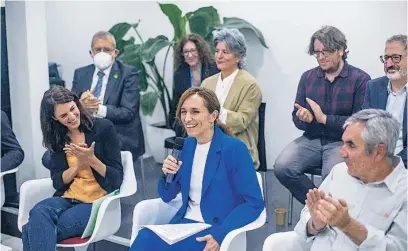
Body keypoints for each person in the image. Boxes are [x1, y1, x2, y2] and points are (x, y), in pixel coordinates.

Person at [129, 87, 264, 251]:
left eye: (195, 112)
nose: (187, 118)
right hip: (183, 224)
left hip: (213, 227)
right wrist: (167, 175)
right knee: (145, 238)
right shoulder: (185, 146)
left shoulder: (234, 149)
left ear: (213, 116)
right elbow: (167, 195)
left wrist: (220, 234)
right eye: (184, 112)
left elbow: (254, 203)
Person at [263, 109, 407, 251]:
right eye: (342, 143)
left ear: (379, 152)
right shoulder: (339, 172)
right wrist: (314, 224)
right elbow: (304, 227)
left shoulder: (403, 192)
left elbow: (398, 247)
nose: (342, 152)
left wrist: (348, 226)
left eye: (351, 145)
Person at [274, 25, 371, 204]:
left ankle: (327, 213)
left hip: (341, 142)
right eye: (317, 52)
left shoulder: (360, 79)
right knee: (282, 167)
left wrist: (324, 119)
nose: (321, 57)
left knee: (333, 175)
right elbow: (296, 116)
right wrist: (305, 119)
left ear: (341, 50)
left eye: (326, 51)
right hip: (311, 138)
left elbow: (360, 124)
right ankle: (319, 206)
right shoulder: (308, 77)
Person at [22, 86, 123, 251]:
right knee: (38, 211)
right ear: (54, 118)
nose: (71, 116)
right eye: (63, 115)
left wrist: (90, 159)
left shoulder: (104, 128)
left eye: (72, 108)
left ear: (77, 104)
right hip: (68, 198)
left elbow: (117, 178)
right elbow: (57, 182)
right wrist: (77, 165)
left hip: (95, 202)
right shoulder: (58, 139)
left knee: (32, 230)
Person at [71, 31, 144, 162]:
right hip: (85, 130)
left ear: (115, 53)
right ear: (91, 53)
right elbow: (71, 106)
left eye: (107, 50)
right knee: (54, 154)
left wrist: (97, 108)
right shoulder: (80, 74)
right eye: (98, 50)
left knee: (98, 151)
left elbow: (128, 113)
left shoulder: (128, 73)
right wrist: (81, 103)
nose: (102, 53)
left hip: (118, 132)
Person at [201, 28, 262, 169]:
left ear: (238, 57)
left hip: (238, 147)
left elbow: (241, 121)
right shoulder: (207, 83)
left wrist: (213, 112)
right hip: (207, 146)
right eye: (217, 51)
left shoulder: (250, 85)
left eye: (225, 52)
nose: (219, 56)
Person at [363, 34, 407, 168]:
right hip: (374, 157)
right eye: (386, 58)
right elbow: (363, 125)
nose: (389, 63)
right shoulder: (373, 87)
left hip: (402, 162)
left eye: (395, 57)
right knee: (338, 172)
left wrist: (392, 163)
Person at [171, 33, 219, 136]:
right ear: (182, 55)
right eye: (186, 52)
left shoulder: (213, 69)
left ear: (200, 51)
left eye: (193, 50)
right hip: (187, 123)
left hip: (210, 121)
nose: (190, 55)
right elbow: (176, 102)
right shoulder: (179, 74)